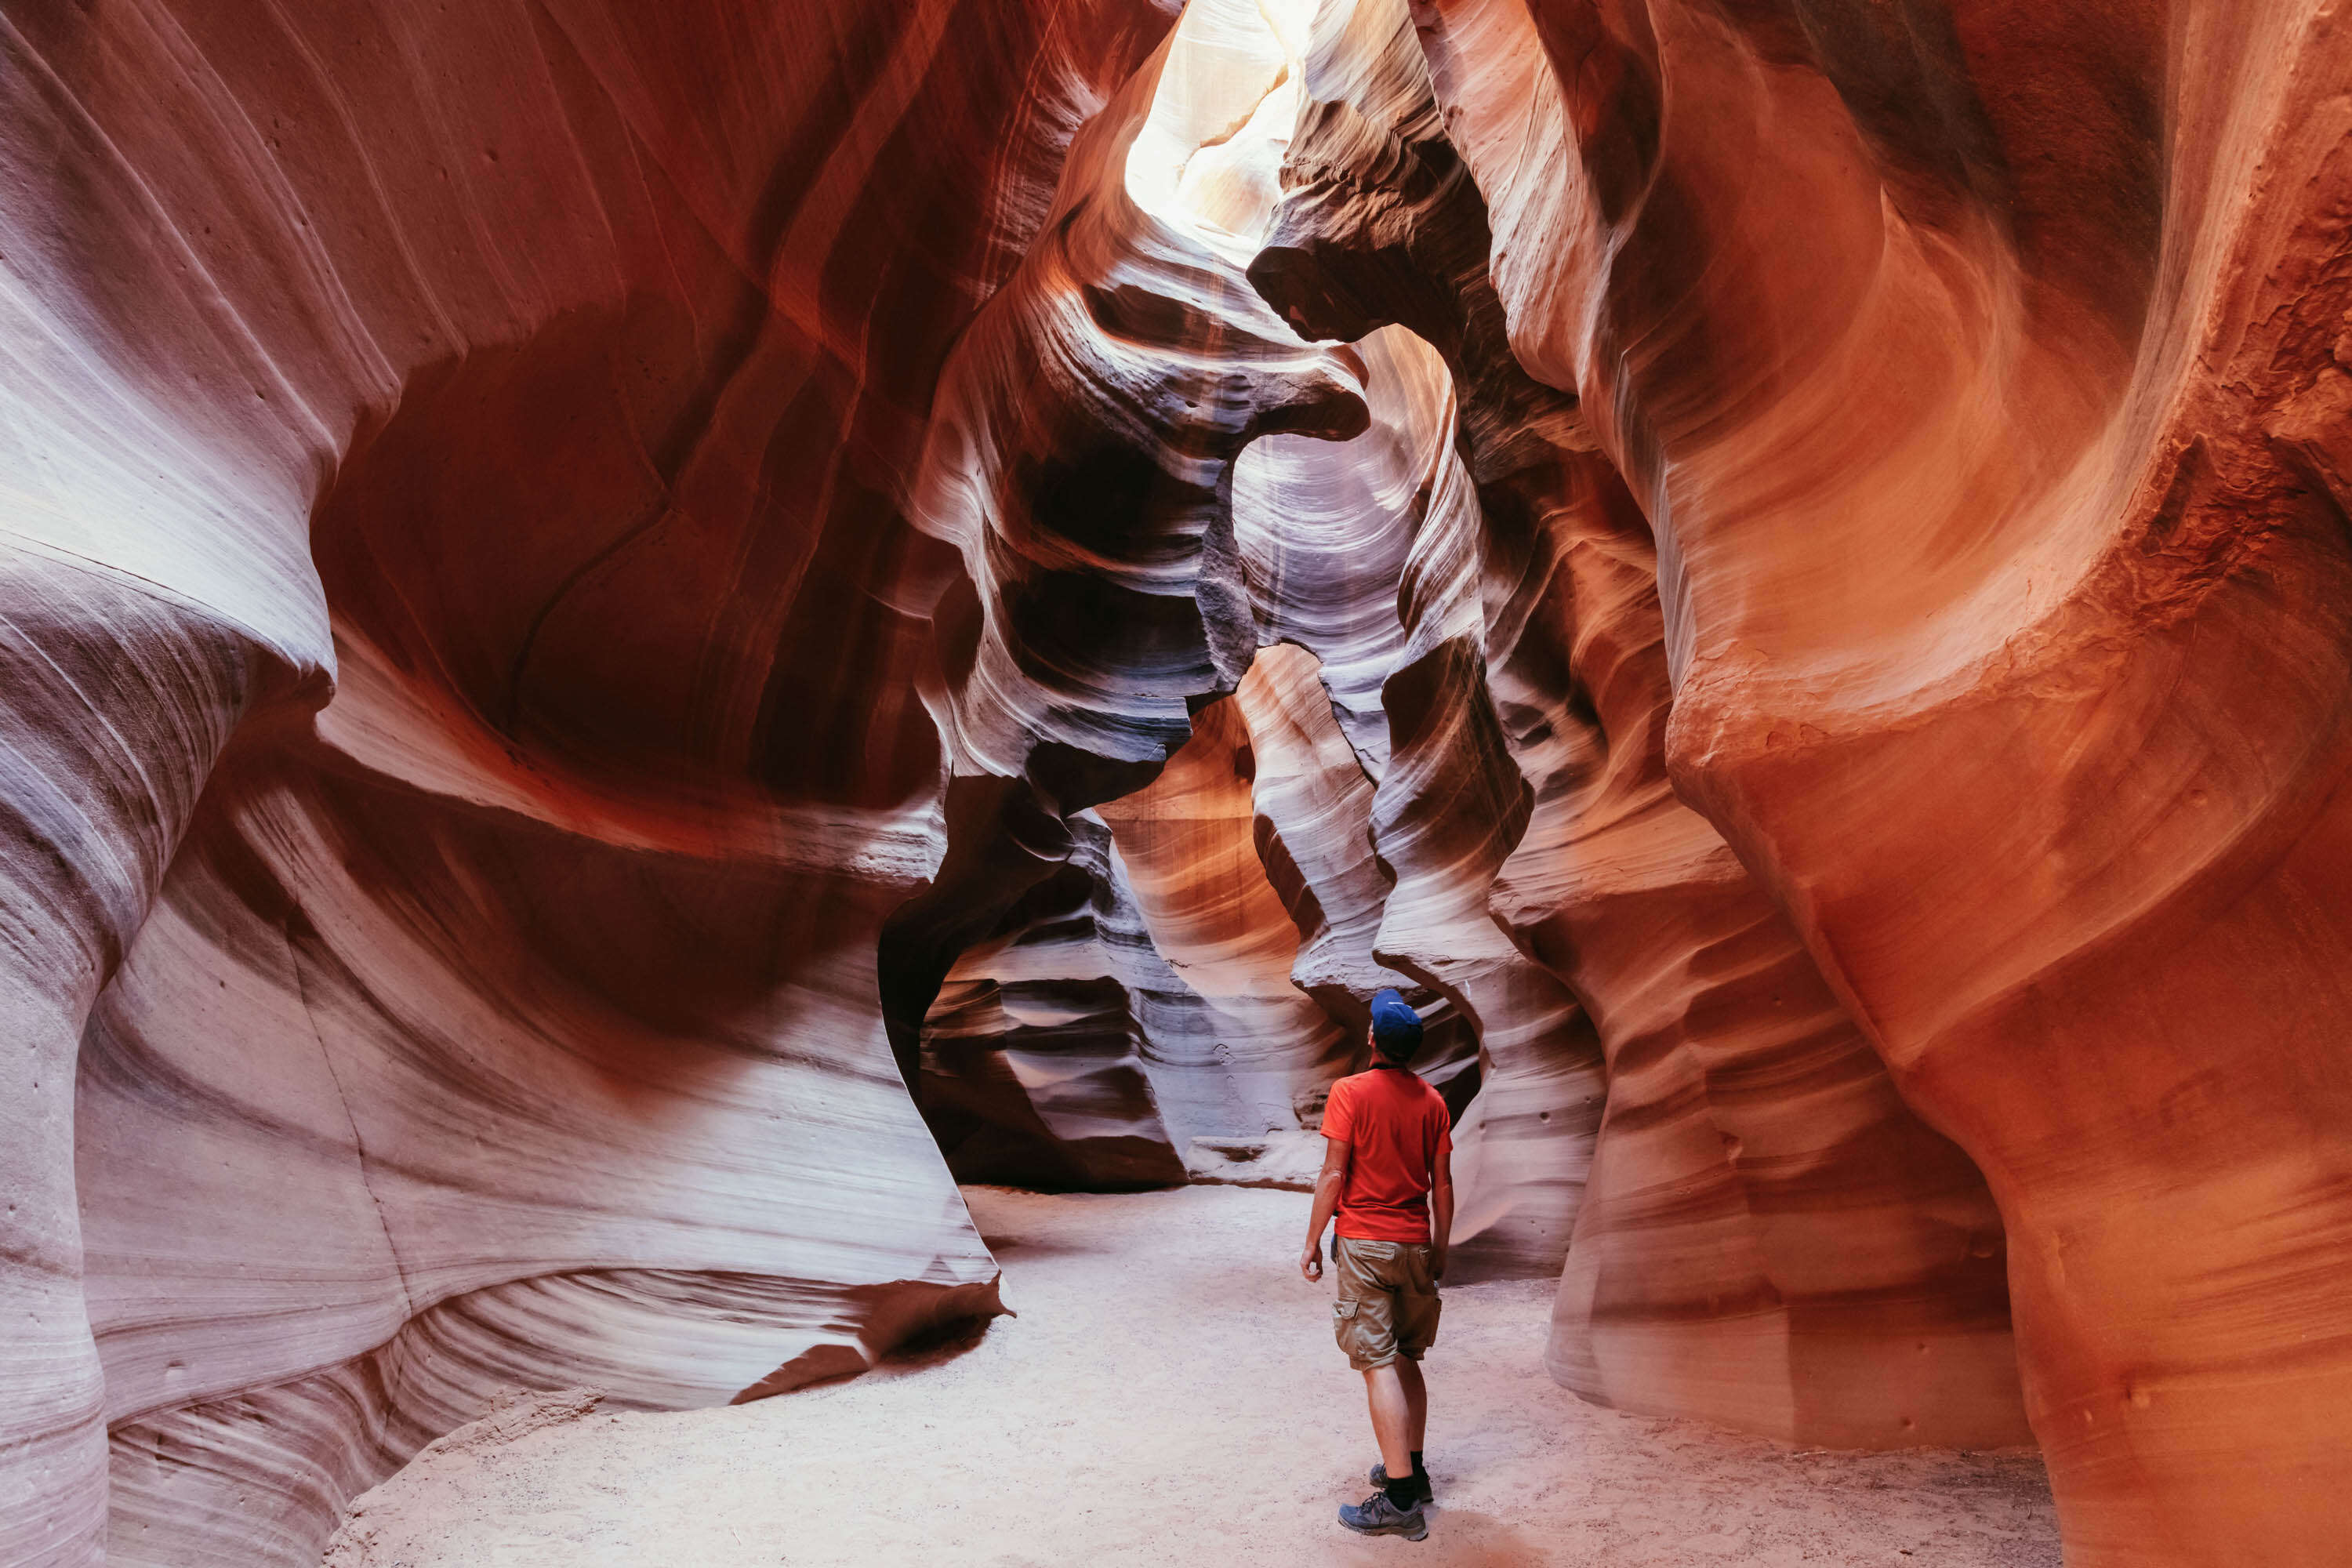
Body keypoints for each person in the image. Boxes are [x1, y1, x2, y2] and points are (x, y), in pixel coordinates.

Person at [1299, 987, 1454, 1541]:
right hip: (1415, 1242)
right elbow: (1443, 1184)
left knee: (1377, 1362)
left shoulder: (1350, 1092)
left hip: (1365, 1244)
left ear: (1372, 1040)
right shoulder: (1433, 1102)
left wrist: (1313, 1240)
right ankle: (1415, 1468)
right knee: (1408, 1356)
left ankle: (1401, 1498)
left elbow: (1334, 1173)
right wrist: (1440, 1245)